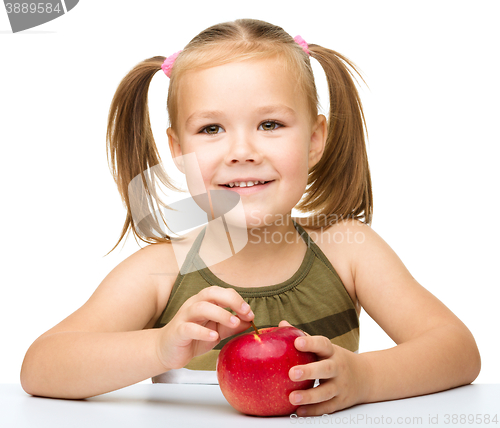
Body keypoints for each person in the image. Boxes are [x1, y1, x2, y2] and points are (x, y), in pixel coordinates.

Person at [20, 18, 480, 416]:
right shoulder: (161, 272)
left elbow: (458, 351)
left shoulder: (347, 251)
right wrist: (159, 348)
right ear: (179, 152)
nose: (242, 152)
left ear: (316, 138)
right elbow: (41, 366)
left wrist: (364, 378)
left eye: (270, 124)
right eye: (211, 129)